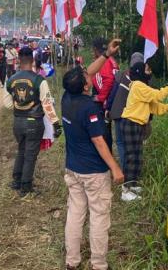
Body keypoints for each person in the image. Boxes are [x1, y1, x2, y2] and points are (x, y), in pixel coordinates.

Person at [62, 38, 123, 270]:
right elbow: (99, 141)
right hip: (94, 173)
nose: (89, 75)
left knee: (75, 213)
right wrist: (115, 168)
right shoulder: (90, 109)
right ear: (86, 86)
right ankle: (99, 264)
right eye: (87, 78)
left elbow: (88, 71)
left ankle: (72, 261)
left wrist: (107, 54)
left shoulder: (67, 98)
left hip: (73, 168)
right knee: (98, 217)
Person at [121, 63, 168, 202]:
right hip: (131, 123)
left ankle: (132, 184)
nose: (150, 71)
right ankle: (126, 190)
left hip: (136, 124)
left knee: (137, 156)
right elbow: (158, 95)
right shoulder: (138, 86)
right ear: (140, 72)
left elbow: (154, 106)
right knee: (132, 157)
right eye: (147, 69)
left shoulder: (142, 88)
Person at [6, 47, 60, 196]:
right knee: (30, 154)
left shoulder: (11, 79)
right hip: (34, 123)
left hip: (18, 122)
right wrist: (55, 123)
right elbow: (47, 104)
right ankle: (26, 185)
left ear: (18, 60)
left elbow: (7, 104)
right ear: (32, 60)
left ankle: (16, 180)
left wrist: (20, 106)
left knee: (21, 150)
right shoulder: (39, 80)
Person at [107, 52, 144, 173]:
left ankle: (124, 168)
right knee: (133, 145)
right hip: (134, 117)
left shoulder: (121, 75)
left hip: (118, 113)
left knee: (120, 142)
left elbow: (113, 94)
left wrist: (108, 107)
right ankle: (133, 171)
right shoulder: (143, 80)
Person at [91, 38, 119, 147]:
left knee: (101, 131)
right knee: (106, 130)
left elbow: (108, 80)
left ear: (95, 50)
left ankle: (104, 158)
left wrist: (100, 97)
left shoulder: (105, 62)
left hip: (104, 101)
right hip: (110, 100)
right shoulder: (112, 60)